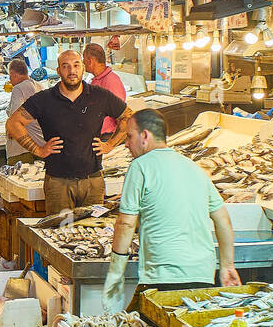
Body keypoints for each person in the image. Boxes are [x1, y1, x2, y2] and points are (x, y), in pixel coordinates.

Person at [101, 109, 239, 316]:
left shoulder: (140, 167)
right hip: (202, 276)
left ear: (145, 136)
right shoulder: (194, 168)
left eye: (129, 137)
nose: (127, 144)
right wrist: (227, 266)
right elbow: (223, 221)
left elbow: (126, 223)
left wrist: (115, 271)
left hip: (162, 277)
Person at [5, 49, 133, 214]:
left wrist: (110, 145)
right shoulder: (44, 99)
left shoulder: (100, 96)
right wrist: (38, 149)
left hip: (92, 181)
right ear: (58, 71)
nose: (71, 71)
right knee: (59, 232)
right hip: (58, 183)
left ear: (83, 68)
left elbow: (129, 117)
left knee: (91, 234)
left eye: (76, 65)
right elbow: (13, 123)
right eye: (65, 66)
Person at [83, 42, 141, 135]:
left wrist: (110, 143)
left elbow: (122, 117)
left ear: (90, 60)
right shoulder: (93, 79)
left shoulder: (111, 81)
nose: (83, 62)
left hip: (106, 136)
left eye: (84, 59)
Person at [5, 58, 43, 164]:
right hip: (40, 143)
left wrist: (11, 130)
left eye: (10, 76)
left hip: (23, 148)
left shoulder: (18, 89)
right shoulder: (39, 86)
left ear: (13, 74)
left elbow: (15, 118)